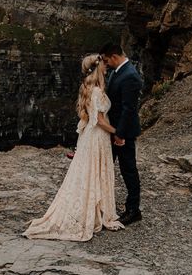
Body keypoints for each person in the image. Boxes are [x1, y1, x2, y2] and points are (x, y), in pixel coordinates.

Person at [22, 54, 124, 241]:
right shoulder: (97, 92)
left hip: (88, 137)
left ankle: (93, 207)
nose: (107, 66)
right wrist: (117, 132)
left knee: (87, 173)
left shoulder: (87, 87)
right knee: (96, 171)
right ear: (98, 67)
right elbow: (100, 121)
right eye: (104, 64)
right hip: (97, 137)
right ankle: (97, 211)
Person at [99, 42, 143, 226]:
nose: (106, 64)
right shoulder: (118, 72)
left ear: (115, 57)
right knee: (105, 166)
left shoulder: (130, 76)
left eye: (107, 60)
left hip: (122, 132)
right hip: (113, 130)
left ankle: (133, 210)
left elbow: (128, 109)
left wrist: (120, 134)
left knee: (128, 170)